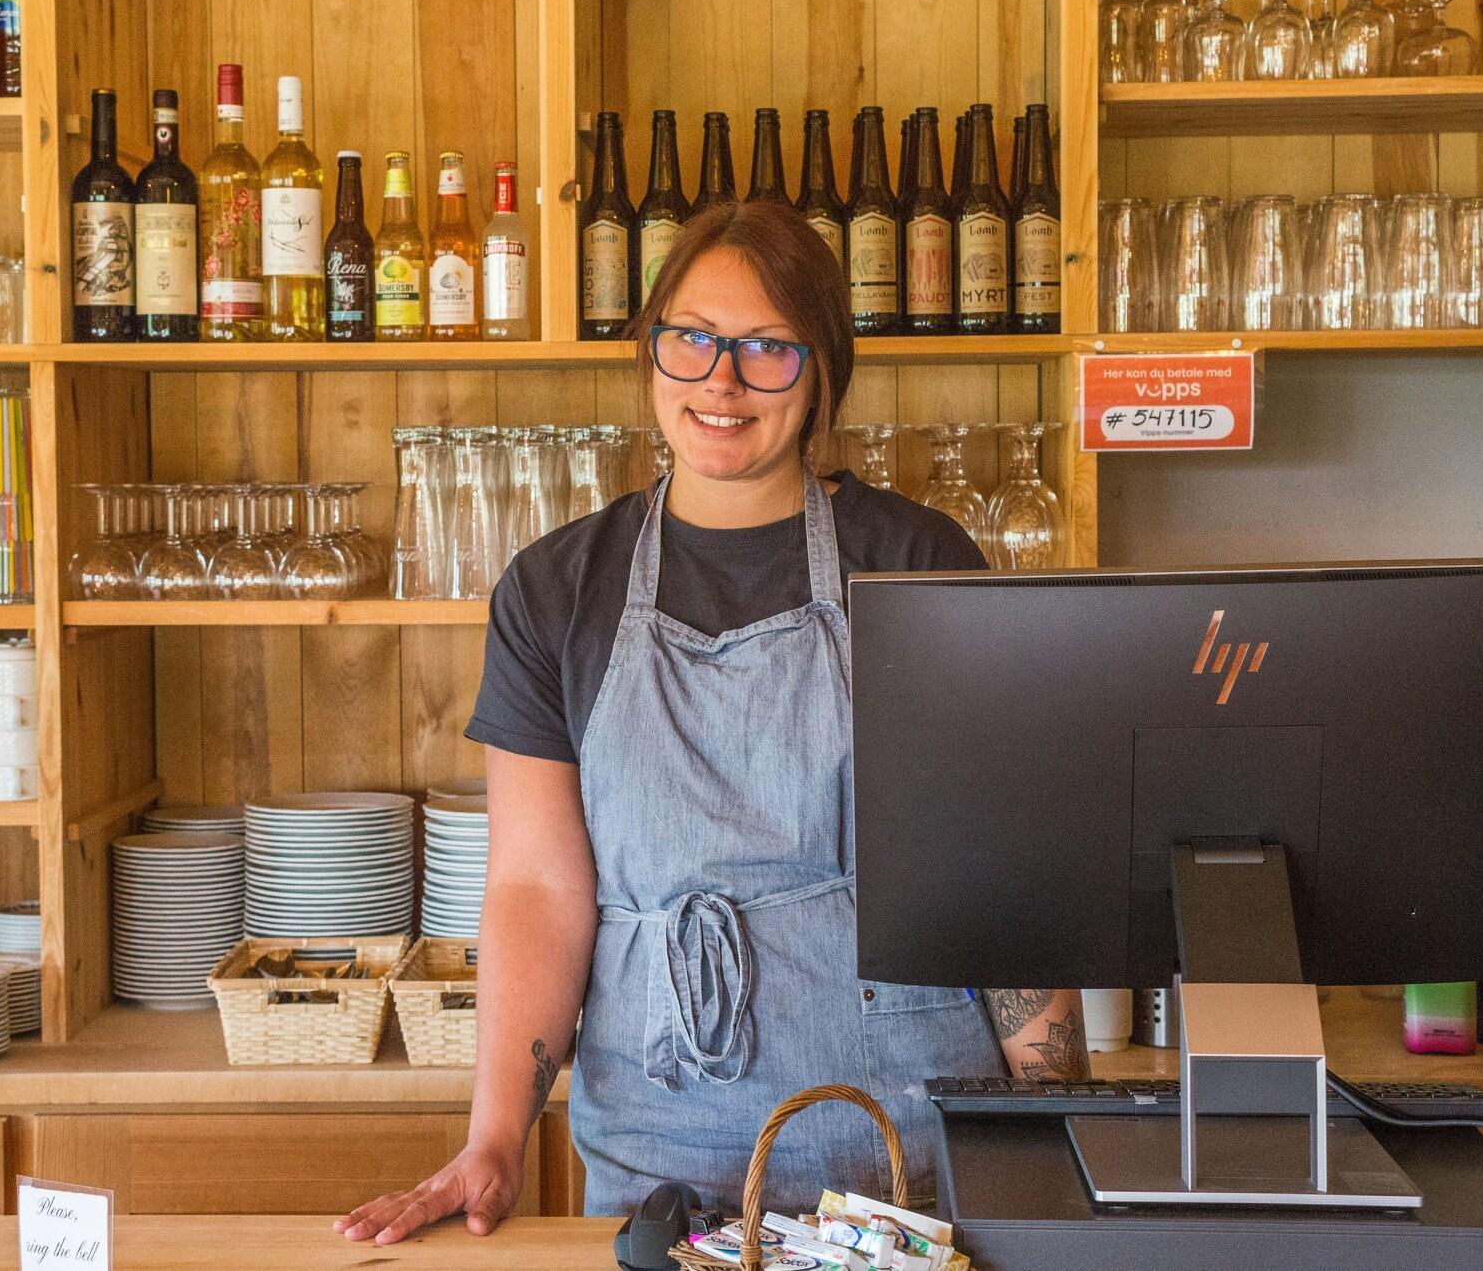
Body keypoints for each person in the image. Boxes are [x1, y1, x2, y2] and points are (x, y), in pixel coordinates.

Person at [337, 200, 1087, 1244]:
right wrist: (496, 1134)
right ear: (650, 353)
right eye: (689, 339)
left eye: (766, 349)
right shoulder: (556, 590)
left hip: (903, 1157)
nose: (719, 381)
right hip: (660, 1158)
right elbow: (536, 888)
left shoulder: (915, 564)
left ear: (822, 370)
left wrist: (1057, 1122)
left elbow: (994, 870)